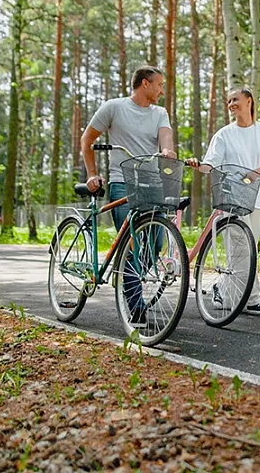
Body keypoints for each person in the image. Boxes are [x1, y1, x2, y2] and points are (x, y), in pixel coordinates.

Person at [79, 65, 177, 326]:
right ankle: (136, 308)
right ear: (144, 84)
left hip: (151, 183)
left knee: (156, 243)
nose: (161, 90)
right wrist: (92, 173)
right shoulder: (114, 107)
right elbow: (86, 140)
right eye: (159, 85)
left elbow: (166, 139)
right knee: (133, 240)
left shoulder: (160, 113)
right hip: (123, 182)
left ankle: (126, 274)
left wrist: (167, 151)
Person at [188, 88, 260, 316]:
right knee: (241, 250)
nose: (231, 104)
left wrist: (251, 176)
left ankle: (222, 289)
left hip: (255, 199)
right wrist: (197, 164)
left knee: (249, 251)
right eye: (229, 100)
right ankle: (252, 299)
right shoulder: (223, 134)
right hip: (231, 200)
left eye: (235, 99)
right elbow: (211, 164)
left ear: (249, 101)